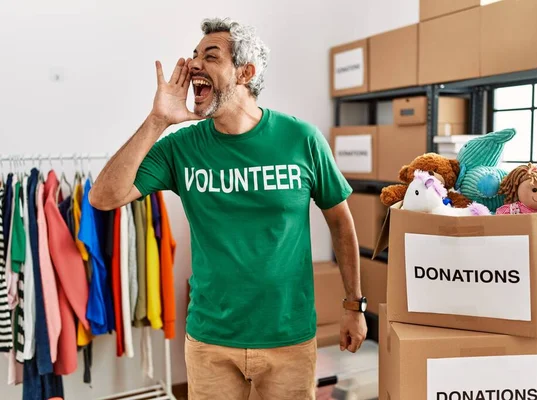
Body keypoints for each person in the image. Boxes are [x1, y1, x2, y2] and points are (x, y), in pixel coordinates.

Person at [89, 17, 367, 400]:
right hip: (211, 341)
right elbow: (102, 197)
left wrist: (354, 305)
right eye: (194, 55)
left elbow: (341, 224)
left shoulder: (301, 139)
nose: (193, 65)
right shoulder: (182, 147)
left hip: (288, 338)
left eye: (210, 55)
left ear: (245, 72)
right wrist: (158, 121)